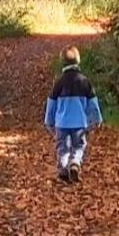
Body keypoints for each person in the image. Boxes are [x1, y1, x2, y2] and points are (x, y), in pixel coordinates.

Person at [44, 46, 103, 183]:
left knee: (62, 147)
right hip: (79, 123)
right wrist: (97, 119)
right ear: (78, 61)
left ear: (62, 62)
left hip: (62, 123)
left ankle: (63, 170)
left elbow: (51, 103)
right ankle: (75, 163)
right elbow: (93, 103)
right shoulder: (84, 81)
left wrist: (49, 121)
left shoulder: (59, 83)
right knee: (78, 146)